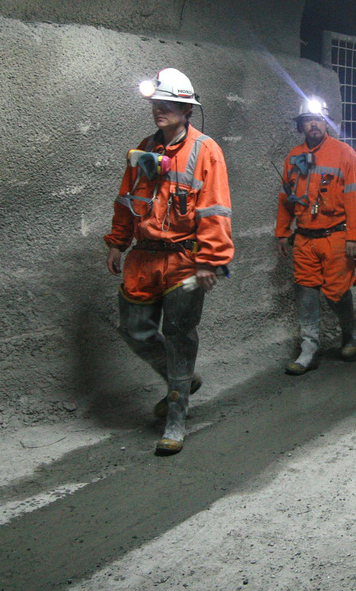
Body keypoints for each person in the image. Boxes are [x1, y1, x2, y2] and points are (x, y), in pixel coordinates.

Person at [105, 68, 233, 456]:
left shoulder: (204, 150)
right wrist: (117, 242)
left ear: (186, 108)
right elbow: (127, 199)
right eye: (156, 103)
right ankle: (182, 379)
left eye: (168, 103)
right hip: (143, 258)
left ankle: (176, 417)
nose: (159, 109)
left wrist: (210, 260)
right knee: (134, 329)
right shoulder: (145, 149)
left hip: (184, 259)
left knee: (179, 336)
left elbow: (214, 208)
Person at [276, 96, 356, 375]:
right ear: (301, 125)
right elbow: (285, 198)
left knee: (338, 292)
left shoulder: (344, 153)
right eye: (307, 120)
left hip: (337, 236)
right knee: (305, 290)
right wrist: (282, 231)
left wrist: (355, 235)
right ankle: (309, 348)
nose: (313, 124)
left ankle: (350, 334)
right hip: (304, 237)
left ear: (325, 122)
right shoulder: (293, 156)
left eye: (317, 119)